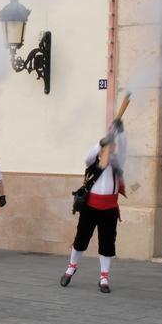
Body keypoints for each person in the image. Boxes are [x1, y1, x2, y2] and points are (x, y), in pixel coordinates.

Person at [61, 117, 126, 293]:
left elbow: (124, 149)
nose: (110, 148)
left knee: (107, 243)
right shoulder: (93, 162)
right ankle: (71, 267)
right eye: (108, 146)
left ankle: (104, 277)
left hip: (110, 208)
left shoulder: (118, 162)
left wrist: (121, 133)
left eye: (112, 146)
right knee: (81, 238)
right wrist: (99, 143)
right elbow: (87, 156)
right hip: (91, 206)